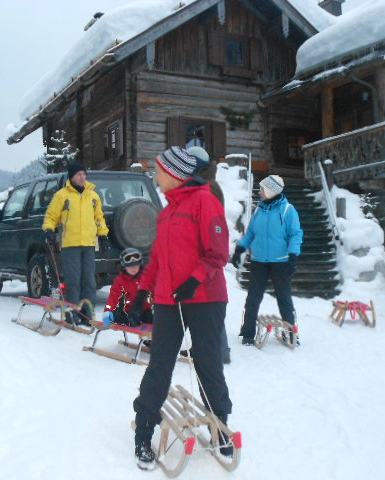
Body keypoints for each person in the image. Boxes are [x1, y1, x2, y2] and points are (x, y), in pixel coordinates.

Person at [128, 146, 233, 470]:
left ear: (174, 174)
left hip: (206, 298)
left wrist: (195, 280)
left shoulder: (205, 202)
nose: (156, 178)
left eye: (159, 172)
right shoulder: (167, 212)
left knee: (208, 364)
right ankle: (144, 430)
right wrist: (141, 293)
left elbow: (218, 253)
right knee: (159, 364)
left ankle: (220, 428)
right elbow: (157, 260)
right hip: (169, 302)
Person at [231, 175, 304, 346]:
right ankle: (248, 333)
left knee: (284, 298)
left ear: (272, 191)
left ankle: (290, 333)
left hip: (281, 262)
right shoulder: (259, 210)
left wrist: (293, 255)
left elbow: (295, 234)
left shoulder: (288, 210)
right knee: (253, 298)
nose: (260, 192)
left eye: (263, 189)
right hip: (258, 261)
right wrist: (240, 249)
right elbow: (250, 233)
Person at [43, 162, 109, 326]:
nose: (82, 177)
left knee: (89, 280)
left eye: (84, 174)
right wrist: (49, 229)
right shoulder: (62, 195)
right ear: (71, 176)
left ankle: (87, 312)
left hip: (88, 244)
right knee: (73, 280)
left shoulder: (93, 196)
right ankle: (72, 312)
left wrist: (103, 236)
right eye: (79, 174)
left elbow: (99, 218)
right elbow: (51, 215)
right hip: (70, 244)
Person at [185, 145, 230, 364]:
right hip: (199, 253)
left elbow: (210, 221)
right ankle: (200, 348)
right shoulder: (203, 185)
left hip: (208, 254)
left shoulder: (210, 187)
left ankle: (220, 351)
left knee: (211, 302)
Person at [103, 248, 153, 327]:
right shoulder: (120, 281)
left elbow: (155, 291)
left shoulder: (146, 277)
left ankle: (150, 338)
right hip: (128, 311)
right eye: (130, 266)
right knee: (126, 318)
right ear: (124, 266)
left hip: (146, 310)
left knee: (152, 321)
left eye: (136, 266)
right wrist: (108, 310)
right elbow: (113, 297)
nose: (133, 269)